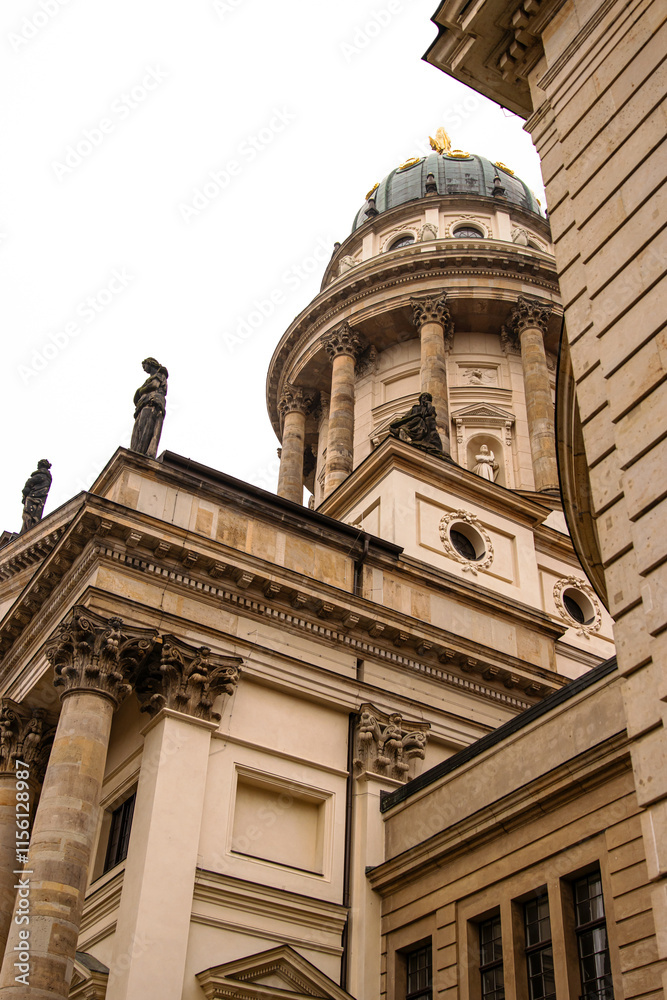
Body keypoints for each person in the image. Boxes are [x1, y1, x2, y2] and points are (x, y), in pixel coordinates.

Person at [130, 357, 168, 458]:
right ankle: (135, 451)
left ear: (150, 364)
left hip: (151, 403)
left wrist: (140, 391)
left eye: (144, 366)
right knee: (138, 430)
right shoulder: (152, 378)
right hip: (144, 404)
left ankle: (141, 453)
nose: (144, 369)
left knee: (146, 427)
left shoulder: (159, 375)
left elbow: (154, 385)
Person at [20, 459, 52, 533]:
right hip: (40, 498)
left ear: (41, 465)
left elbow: (29, 483)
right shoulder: (47, 477)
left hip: (33, 497)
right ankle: (29, 528)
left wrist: (25, 492)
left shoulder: (41, 475)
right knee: (35, 514)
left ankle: (26, 530)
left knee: (28, 513)